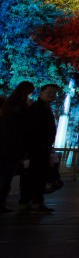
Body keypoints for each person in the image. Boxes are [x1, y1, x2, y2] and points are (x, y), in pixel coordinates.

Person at [18, 83, 60, 215]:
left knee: (37, 176)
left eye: (54, 92)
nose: (52, 95)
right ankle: (32, 201)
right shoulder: (37, 108)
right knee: (35, 176)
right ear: (41, 92)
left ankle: (32, 201)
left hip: (41, 148)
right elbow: (32, 130)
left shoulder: (43, 107)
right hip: (37, 149)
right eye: (50, 92)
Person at [0, 81, 34, 213]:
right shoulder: (19, 106)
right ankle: (1, 201)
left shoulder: (9, 105)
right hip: (13, 146)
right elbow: (22, 127)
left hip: (7, 145)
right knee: (7, 175)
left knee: (5, 175)